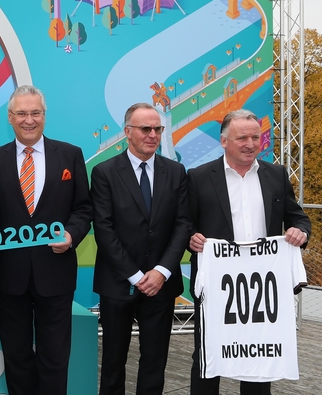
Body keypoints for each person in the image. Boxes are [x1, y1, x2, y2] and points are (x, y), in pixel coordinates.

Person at [188, 109, 311, 395]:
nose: (250, 144)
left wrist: (300, 232)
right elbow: (185, 224)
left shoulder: (276, 174)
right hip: (217, 289)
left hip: (264, 290)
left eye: (255, 137)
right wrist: (191, 239)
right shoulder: (199, 177)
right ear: (223, 141)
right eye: (242, 137)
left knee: (259, 359)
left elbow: (298, 217)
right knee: (207, 357)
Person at [0, 85, 93, 395]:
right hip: (8, 278)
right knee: (16, 359)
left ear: (44, 116)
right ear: (10, 117)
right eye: (21, 114)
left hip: (55, 274)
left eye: (35, 113)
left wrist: (71, 235)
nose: (28, 120)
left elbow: (84, 208)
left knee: (55, 359)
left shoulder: (70, 154)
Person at [91, 103, 191, 394]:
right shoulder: (104, 172)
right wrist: (135, 276)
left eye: (157, 129)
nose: (153, 135)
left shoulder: (176, 172)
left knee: (154, 363)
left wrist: (160, 272)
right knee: (112, 363)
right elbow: (104, 229)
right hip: (117, 283)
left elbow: (183, 225)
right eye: (145, 129)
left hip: (161, 285)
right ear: (127, 133)